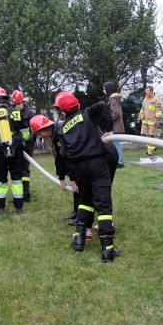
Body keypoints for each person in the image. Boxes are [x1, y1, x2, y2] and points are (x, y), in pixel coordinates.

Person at [53, 91, 120, 263]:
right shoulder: (87, 114)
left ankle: (79, 240)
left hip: (79, 168)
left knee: (85, 200)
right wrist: (109, 131)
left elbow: (63, 153)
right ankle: (108, 250)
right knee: (103, 205)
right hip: (97, 163)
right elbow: (102, 106)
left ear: (62, 111)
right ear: (77, 105)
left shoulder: (62, 128)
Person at [0, 86, 25, 215]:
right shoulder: (15, 111)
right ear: (7, 99)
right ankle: (19, 208)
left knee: (0, 180)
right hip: (16, 150)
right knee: (17, 179)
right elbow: (22, 126)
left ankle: (0, 208)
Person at [10, 90, 36, 202]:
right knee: (17, 168)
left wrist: (27, 140)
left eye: (18, 104)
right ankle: (18, 194)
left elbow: (34, 130)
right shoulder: (11, 113)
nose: (16, 106)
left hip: (27, 145)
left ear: (23, 103)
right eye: (14, 104)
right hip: (16, 145)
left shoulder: (29, 114)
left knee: (25, 168)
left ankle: (26, 194)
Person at [104, 81, 125, 168]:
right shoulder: (114, 98)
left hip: (115, 126)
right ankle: (117, 160)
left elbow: (116, 113)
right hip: (116, 125)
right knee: (114, 143)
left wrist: (109, 120)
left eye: (104, 88)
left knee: (116, 143)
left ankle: (120, 162)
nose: (103, 90)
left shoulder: (112, 99)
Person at [138, 85, 163, 156]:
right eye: (146, 91)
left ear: (151, 91)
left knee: (151, 136)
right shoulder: (145, 99)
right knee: (143, 135)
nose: (146, 93)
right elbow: (142, 109)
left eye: (147, 91)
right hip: (144, 121)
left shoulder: (156, 100)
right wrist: (139, 117)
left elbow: (159, 110)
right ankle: (152, 147)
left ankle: (150, 152)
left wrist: (157, 118)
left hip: (152, 121)